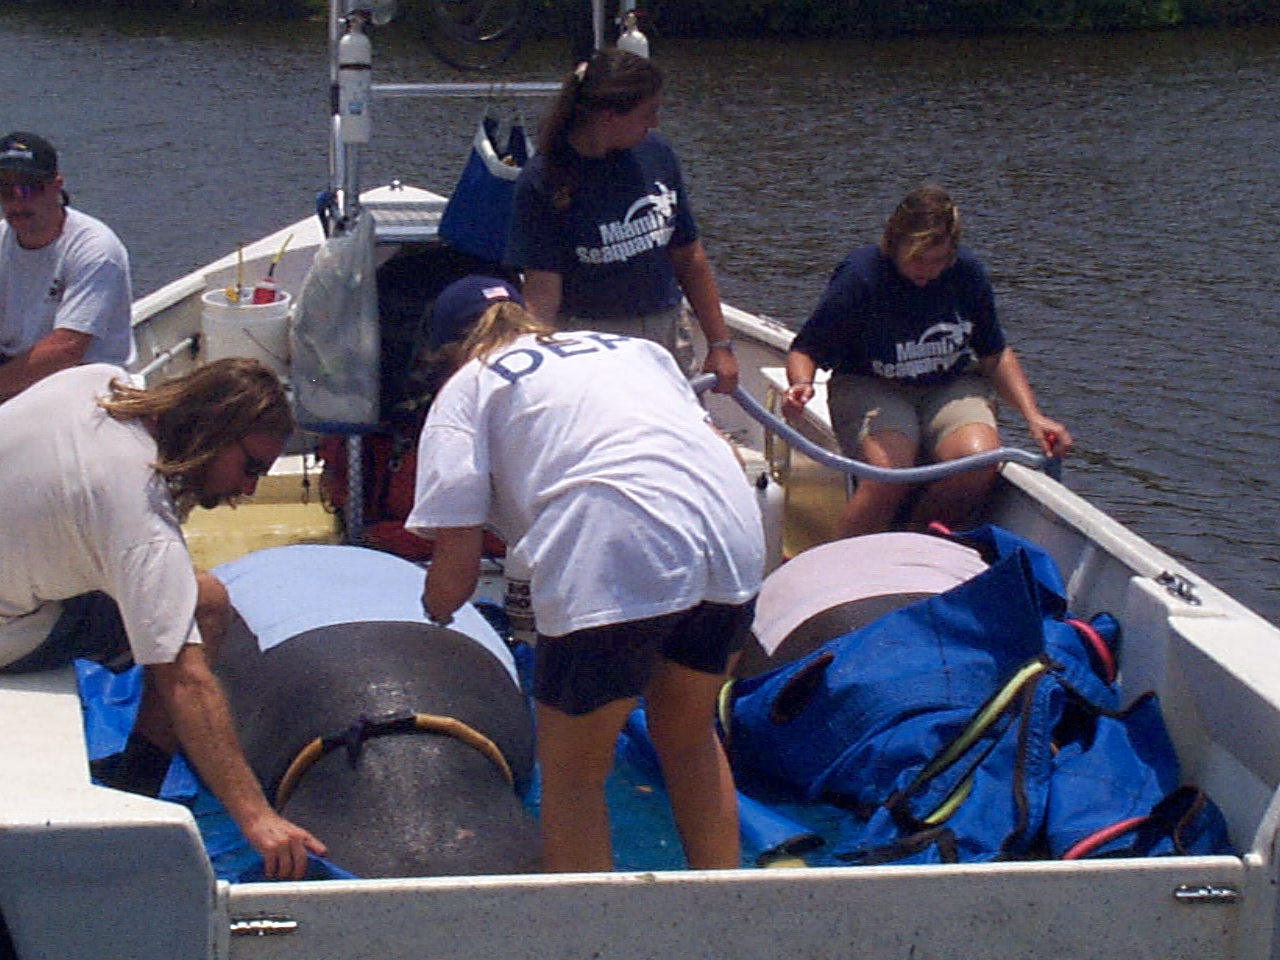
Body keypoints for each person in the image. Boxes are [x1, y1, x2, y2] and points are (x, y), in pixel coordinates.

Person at [407, 276, 764, 873]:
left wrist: (432, 612)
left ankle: (591, 933)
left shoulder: (467, 386)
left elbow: (457, 573)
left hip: (612, 548)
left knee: (573, 776)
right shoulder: (635, 352)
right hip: (730, 538)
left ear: (448, 352)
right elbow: (721, 451)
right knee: (688, 736)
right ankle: (720, 907)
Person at [0, 358, 326, 880]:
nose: (248, 490)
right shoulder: (138, 516)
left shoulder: (98, 382)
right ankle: (137, 791)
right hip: (7, 633)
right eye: (251, 469)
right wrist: (258, 817)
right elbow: (187, 682)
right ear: (215, 431)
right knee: (203, 602)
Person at [782, 185, 1072, 537]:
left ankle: (917, 539)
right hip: (872, 383)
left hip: (948, 383)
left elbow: (993, 353)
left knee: (978, 460)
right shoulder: (861, 275)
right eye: (918, 259)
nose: (929, 271)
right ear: (894, 242)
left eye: (939, 261)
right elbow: (806, 350)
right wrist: (800, 384)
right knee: (889, 474)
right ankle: (841, 565)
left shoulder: (967, 274)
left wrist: (1033, 417)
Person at [504, 49, 739, 393]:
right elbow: (543, 288)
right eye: (649, 113)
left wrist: (720, 346)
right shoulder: (543, 179)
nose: (656, 123)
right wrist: (530, 360)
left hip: (666, 329)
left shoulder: (657, 153)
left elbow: (688, 256)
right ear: (608, 117)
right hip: (590, 341)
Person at [0, 132, 134, 402]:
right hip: (17, 370)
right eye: (4, 191)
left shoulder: (94, 249)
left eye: (28, 189)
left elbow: (66, 349)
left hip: (86, 380)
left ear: (55, 187)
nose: (17, 202)